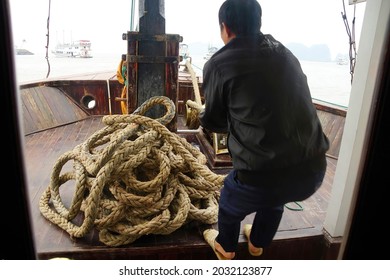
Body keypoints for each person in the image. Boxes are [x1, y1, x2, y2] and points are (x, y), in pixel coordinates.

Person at [199, 0, 330, 260]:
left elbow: (213, 122)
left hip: (261, 179)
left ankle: (226, 247)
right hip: (313, 172)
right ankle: (257, 243)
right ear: (258, 23)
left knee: (229, 202)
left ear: (224, 28)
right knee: (275, 196)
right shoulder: (285, 53)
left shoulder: (218, 64)